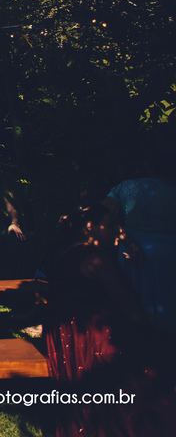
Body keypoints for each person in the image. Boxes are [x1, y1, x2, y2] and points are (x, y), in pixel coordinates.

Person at [42, 203, 175, 437]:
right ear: (90, 227)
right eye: (111, 225)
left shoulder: (68, 252)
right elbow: (134, 312)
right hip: (87, 338)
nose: (117, 231)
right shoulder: (97, 261)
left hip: (62, 335)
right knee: (157, 364)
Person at [103, 150, 176, 335]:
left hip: (132, 250)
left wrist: (123, 235)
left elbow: (101, 215)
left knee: (134, 297)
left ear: (147, 166)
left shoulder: (127, 187)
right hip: (169, 253)